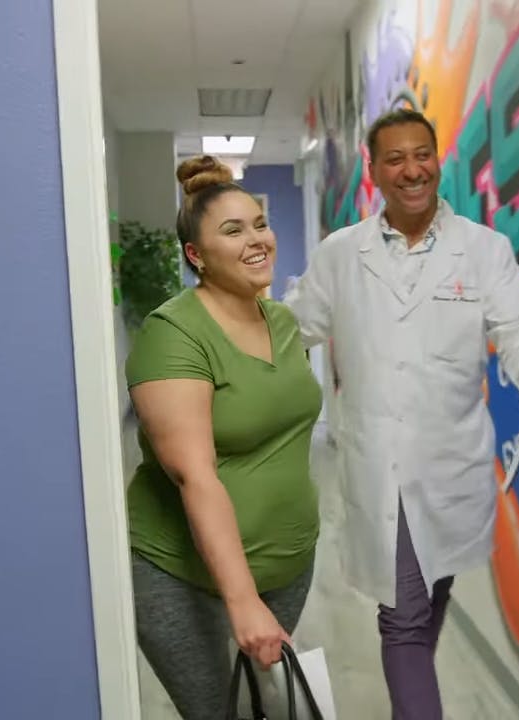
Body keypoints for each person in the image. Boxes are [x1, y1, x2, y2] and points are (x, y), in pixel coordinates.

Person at [285, 109, 519, 719]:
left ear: (437, 159)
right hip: (379, 470)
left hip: (451, 467)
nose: (412, 170)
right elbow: (289, 329)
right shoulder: (341, 256)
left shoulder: (482, 249)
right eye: (395, 158)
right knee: (405, 620)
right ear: (374, 170)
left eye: (422, 155)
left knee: (425, 598)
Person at [125, 156, 322, 719]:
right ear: (195, 255)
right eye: (232, 231)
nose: (256, 239)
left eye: (259, 223)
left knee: (267, 708)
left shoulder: (281, 321)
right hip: (184, 577)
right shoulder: (174, 334)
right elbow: (194, 474)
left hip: (288, 567)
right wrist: (242, 601)